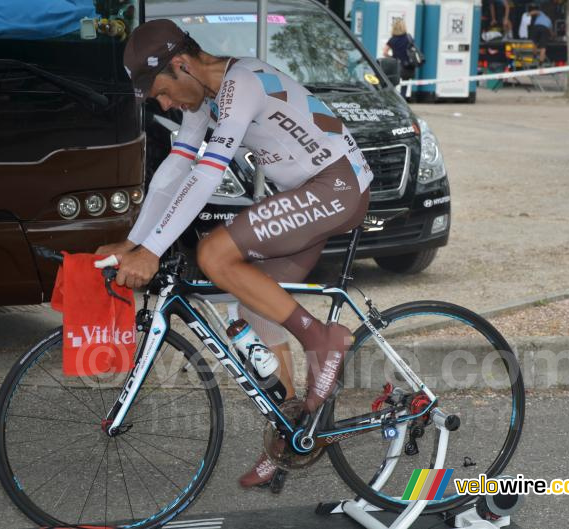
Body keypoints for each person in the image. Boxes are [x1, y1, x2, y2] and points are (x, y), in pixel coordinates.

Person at [97, 19, 373, 488]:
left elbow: (207, 175)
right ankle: (292, 432)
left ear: (181, 64)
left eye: (161, 91)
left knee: (215, 254)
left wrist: (153, 251)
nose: (163, 104)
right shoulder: (205, 96)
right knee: (256, 306)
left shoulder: (240, 83)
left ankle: (323, 339)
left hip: (337, 186)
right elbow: (175, 169)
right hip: (314, 189)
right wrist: (134, 242)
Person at [383, 19, 416, 101]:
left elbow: (385, 52)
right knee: (404, 85)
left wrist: (392, 57)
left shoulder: (392, 39)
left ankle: (393, 100)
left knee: (393, 84)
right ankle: (402, 100)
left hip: (396, 65)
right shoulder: (408, 38)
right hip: (407, 65)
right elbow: (413, 50)